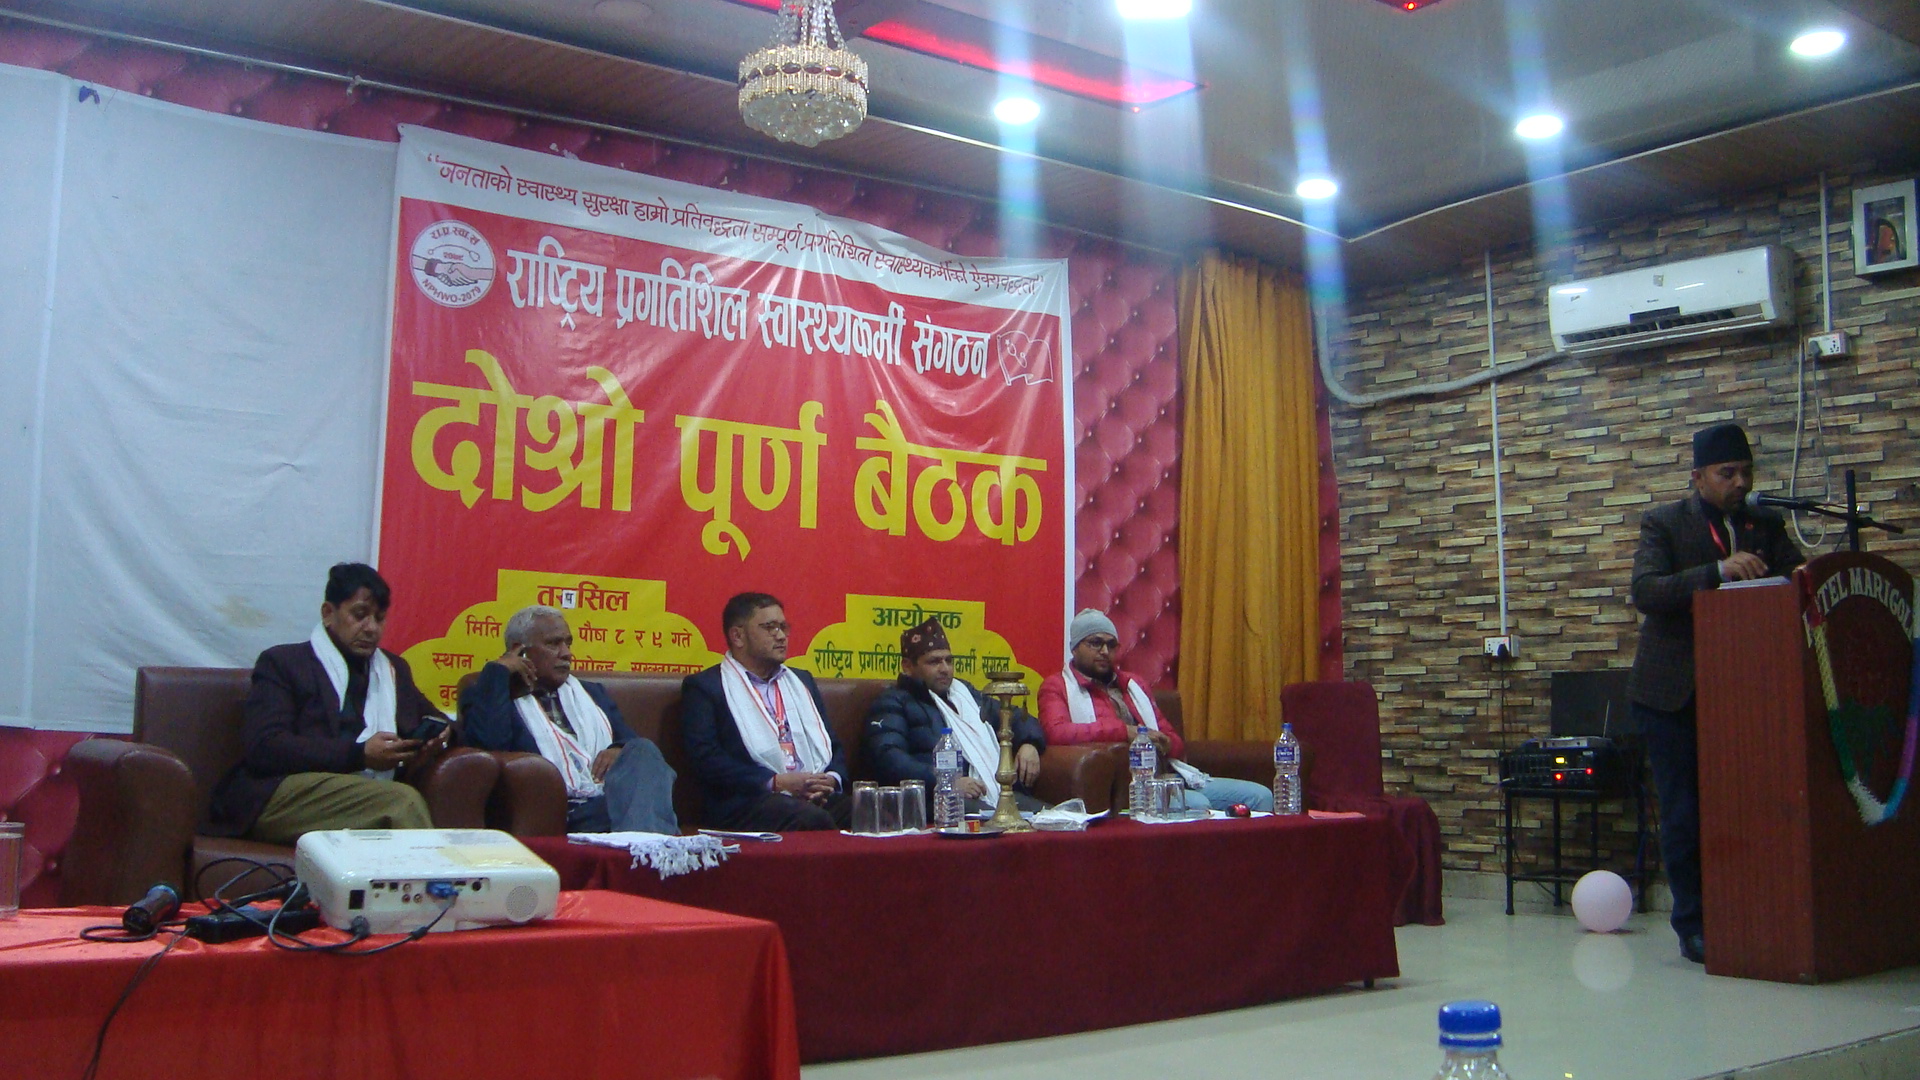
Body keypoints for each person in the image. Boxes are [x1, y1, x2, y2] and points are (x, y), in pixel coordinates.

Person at [1629, 422, 1804, 964]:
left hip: (1746, 693)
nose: (1740, 483)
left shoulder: (1764, 523)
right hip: (1673, 695)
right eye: (1727, 473)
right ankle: (1694, 925)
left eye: (1746, 472)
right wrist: (1716, 572)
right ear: (1698, 476)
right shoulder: (1665, 522)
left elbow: (1797, 576)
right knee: (1684, 813)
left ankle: (1751, 912)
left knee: (1747, 807)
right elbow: (1647, 591)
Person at [209, 562, 451, 843]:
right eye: (359, 615)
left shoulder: (393, 670)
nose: (371, 628)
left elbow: (441, 721)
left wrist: (443, 734)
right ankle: (434, 874)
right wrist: (359, 755)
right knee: (402, 803)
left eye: (379, 618)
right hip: (282, 795)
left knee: (393, 809)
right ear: (328, 613)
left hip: (362, 797)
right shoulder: (284, 663)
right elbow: (265, 747)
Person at [460, 605, 679, 834]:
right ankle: (651, 847)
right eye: (553, 644)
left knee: (643, 749)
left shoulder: (592, 694)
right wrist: (498, 673)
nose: (566, 653)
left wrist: (618, 748)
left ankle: (641, 844)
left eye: (568, 643)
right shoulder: (491, 695)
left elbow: (630, 742)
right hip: (563, 811)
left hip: (608, 801)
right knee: (648, 808)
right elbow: (489, 745)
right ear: (519, 651)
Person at [1038, 609, 1274, 814]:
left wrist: (1166, 743)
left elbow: (1173, 739)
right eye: (1095, 643)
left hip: (1170, 775)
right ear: (1075, 648)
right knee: (1197, 804)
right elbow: (1056, 733)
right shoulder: (1057, 686)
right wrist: (1125, 732)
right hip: (1130, 788)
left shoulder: (1133, 685)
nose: (1104, 651)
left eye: (1111, 645)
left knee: (1260, 796)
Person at [681, 593, 851, 831]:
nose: (780, 636)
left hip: (813, 795)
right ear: (738, 636)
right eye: (769, 627)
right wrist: (774, 783)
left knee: (872, 810)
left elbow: (832, 744)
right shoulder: (706, 687)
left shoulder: (802, 681)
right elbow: (706, 759)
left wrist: (831, 779)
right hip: (748, 801)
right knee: (811, 819)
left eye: (783, 627)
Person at [865, 617, 1048, 815]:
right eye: (934, 662)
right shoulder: (894, 702)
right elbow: (888, 758)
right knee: (992, 821)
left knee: (1054, 818)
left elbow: (1014, 716)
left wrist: (1030, 743)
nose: (944, 669)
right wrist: (946, 781)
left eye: (949, 661)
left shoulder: (966, 695)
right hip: (938, 799)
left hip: (993, 794)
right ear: (908, 666)